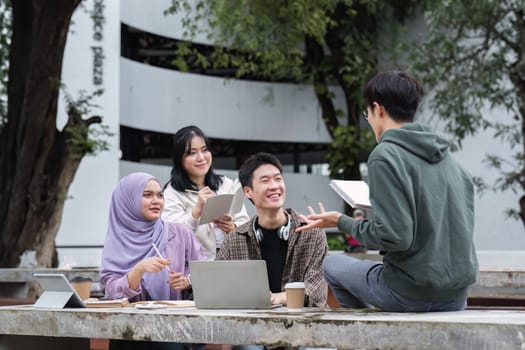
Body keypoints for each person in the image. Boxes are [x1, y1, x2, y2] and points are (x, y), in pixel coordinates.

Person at [297, 70, 479, 312]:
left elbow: (396, 236)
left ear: (378, 109)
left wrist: (341, 222)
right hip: (456, 297)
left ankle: (367, 340)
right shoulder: (451, 162)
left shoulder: (385, 155)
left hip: (408, 293)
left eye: (367, 114)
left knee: (332, 264)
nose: (369, 120)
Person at [100, 172, 206, 350]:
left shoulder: (180, 233)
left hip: (176, 329)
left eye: (160, 195)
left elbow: (206, 275)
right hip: (129, 330)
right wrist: (138, 270)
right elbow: (111, 293)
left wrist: (186, 281)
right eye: (147, 195)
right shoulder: (116, 240)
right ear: (128, 201)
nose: (156, 201)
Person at [217, 152, 328, 308]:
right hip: (252, 325)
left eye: (278, 179)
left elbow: (316, 295)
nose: (274, 186)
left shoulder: (312, 233)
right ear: (248, 191)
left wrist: (276, 298)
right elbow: (217, 286)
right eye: (265, 181)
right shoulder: (235, 238)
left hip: (305, 327)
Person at [162, 125, 250, 260]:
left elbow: (245, 223)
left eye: (204, 150)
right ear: (179, 158)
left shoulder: (225, 184)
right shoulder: (172, 193)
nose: (201, 158)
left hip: (231, 261)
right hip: (194, 269)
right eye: (192, 153)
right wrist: (196, 212)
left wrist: (232, 227)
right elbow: (171, 236)